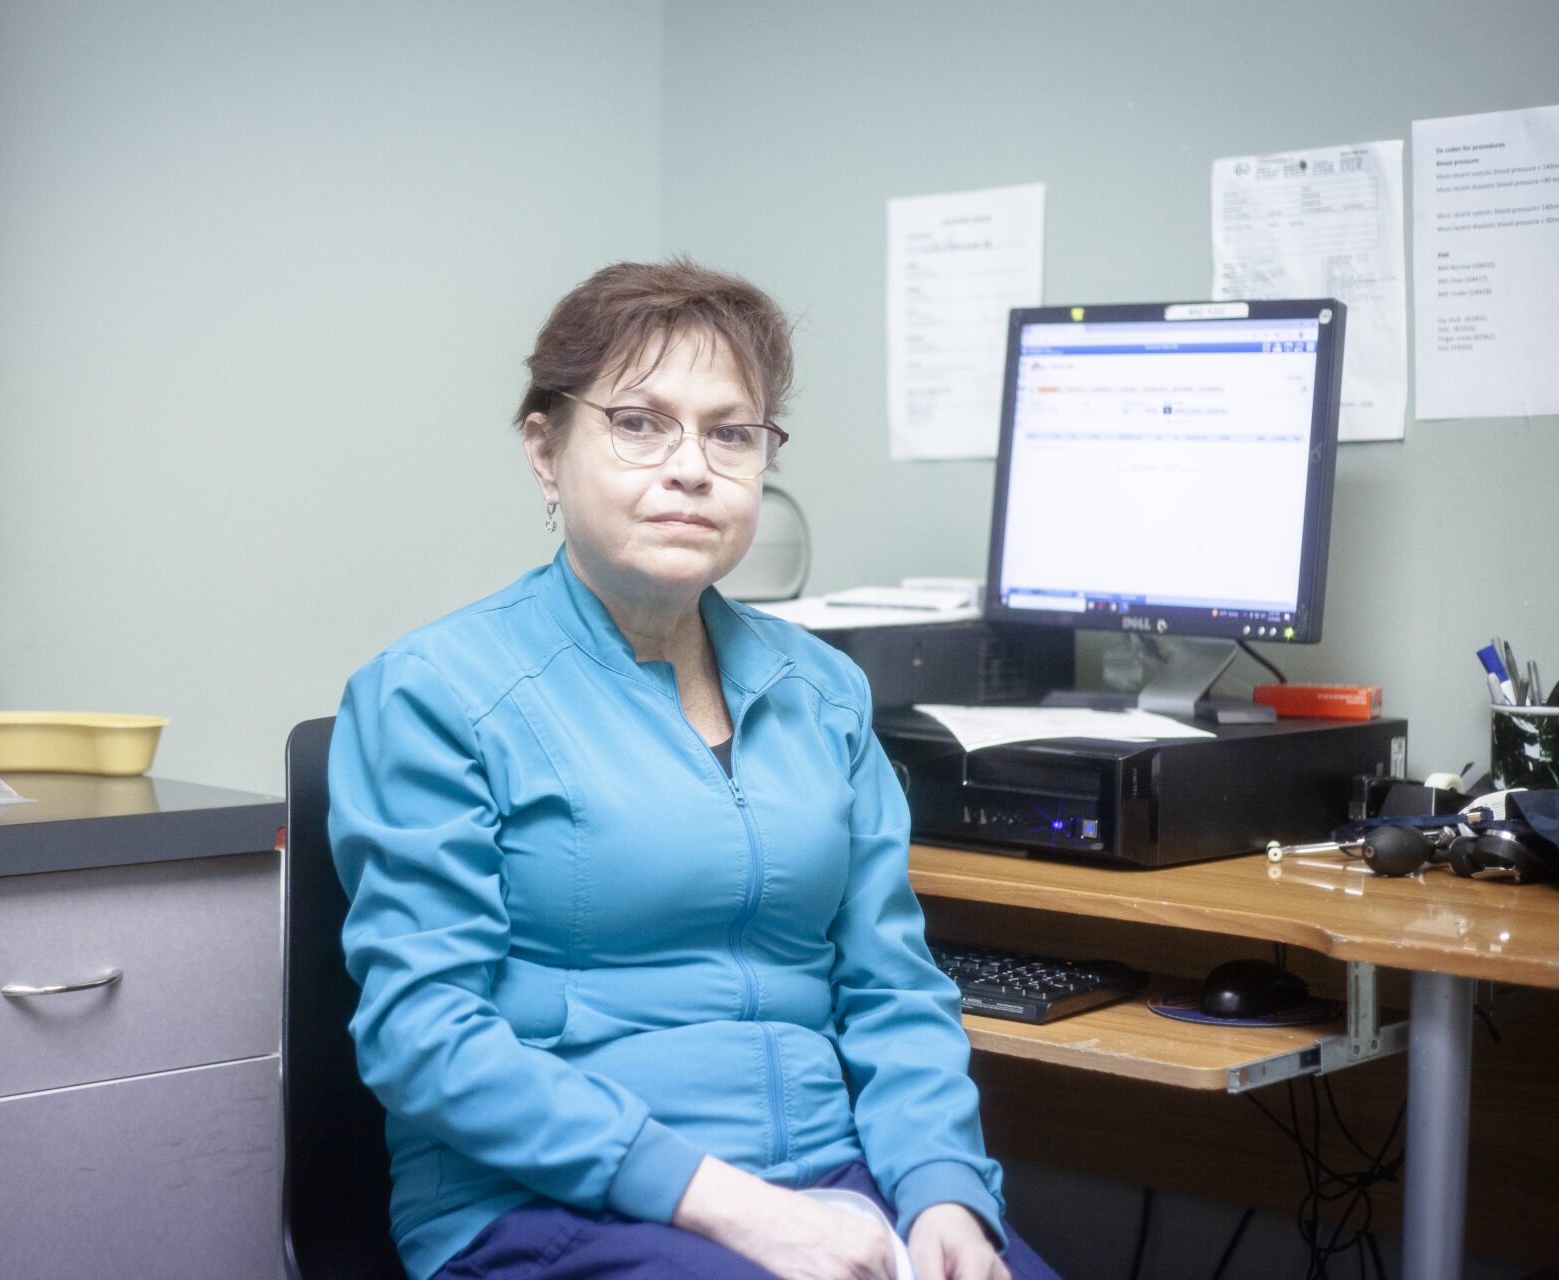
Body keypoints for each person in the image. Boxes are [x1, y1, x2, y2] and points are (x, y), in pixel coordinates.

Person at [330, 260, 1055, 1280]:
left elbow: (892, 986)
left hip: (837, 1178)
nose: (691, 466)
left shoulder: (824, 693)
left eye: (731, 431)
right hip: (546, 1208)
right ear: (545, 450)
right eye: (639, 422)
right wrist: (738, 1209)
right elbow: (424, 1035)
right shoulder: (435, 693)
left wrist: (943, 1186)